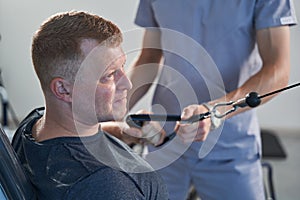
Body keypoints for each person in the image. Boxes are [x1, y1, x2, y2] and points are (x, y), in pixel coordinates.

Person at [128, 0, 297, 199]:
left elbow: (277, 69)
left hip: (230, 147)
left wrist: (214, 110)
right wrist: (109, 109)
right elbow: (149, 56)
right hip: (163, 142)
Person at [11, 11, 168, 200]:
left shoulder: (33, 125)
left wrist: (122, 132)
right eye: (109, 75)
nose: (127, 83)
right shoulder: (106, 186)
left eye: (122, 67)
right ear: (63, 89)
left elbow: (72, 144)